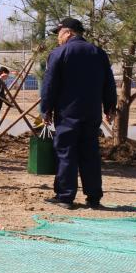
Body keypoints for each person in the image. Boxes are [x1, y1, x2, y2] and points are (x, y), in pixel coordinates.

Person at [39, 17, 117, 210]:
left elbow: (50, 85)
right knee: (90, 153)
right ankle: (94, 197)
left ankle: (65, 197)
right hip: (92, 112)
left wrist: (46, 109)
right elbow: (109, 82)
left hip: (67, 113)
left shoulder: (59, 53)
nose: (58, 38)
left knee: (66, 152)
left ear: (68, 32)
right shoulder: (98, 53)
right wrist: (110, 106)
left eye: (58, 34)